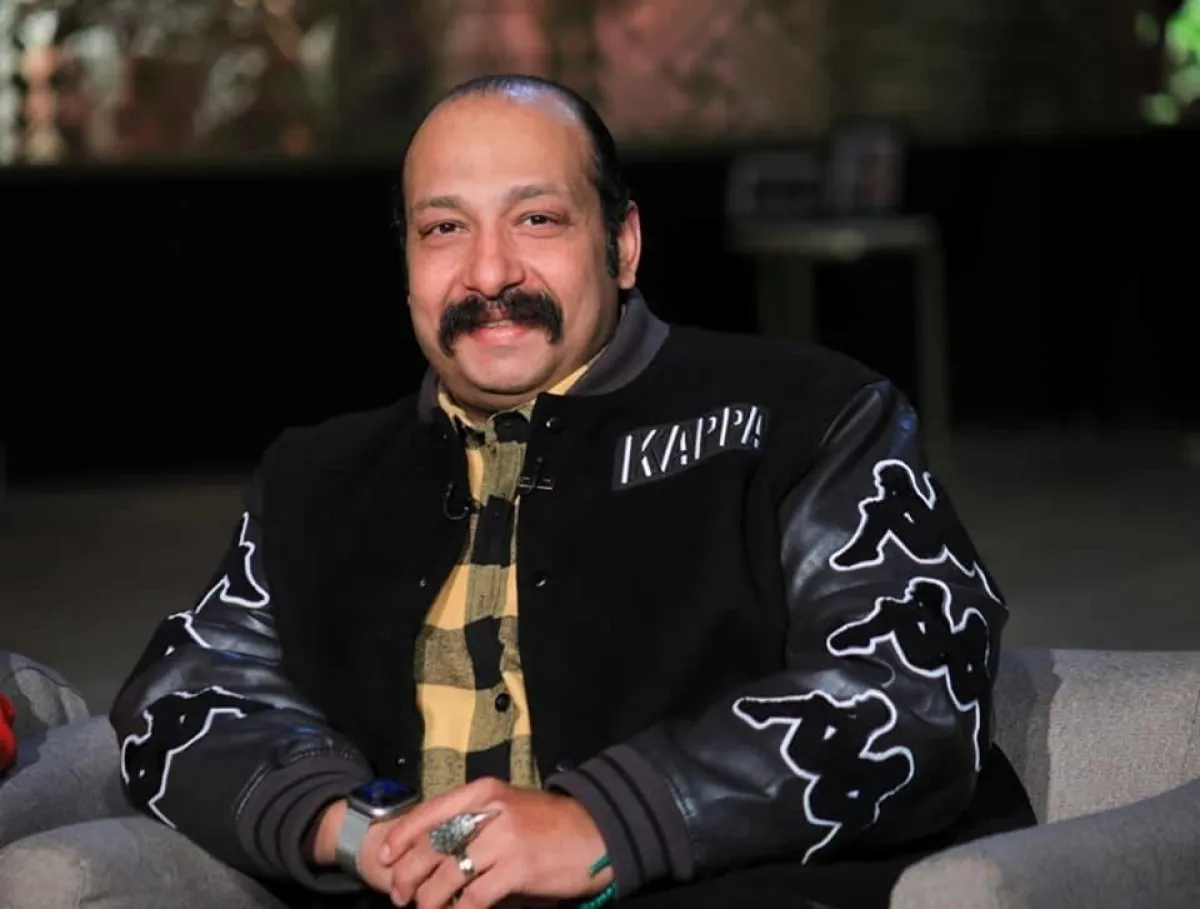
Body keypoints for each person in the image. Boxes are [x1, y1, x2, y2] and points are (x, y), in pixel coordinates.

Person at [109, 74, 1035, 909]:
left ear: (622, 245)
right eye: (444, 229)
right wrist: (355, 828)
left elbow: (913, 690)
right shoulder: (316, 475)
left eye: (538, 219)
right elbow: (179, 697)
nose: (489, 274)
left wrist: (607, 821)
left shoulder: (807, 417)